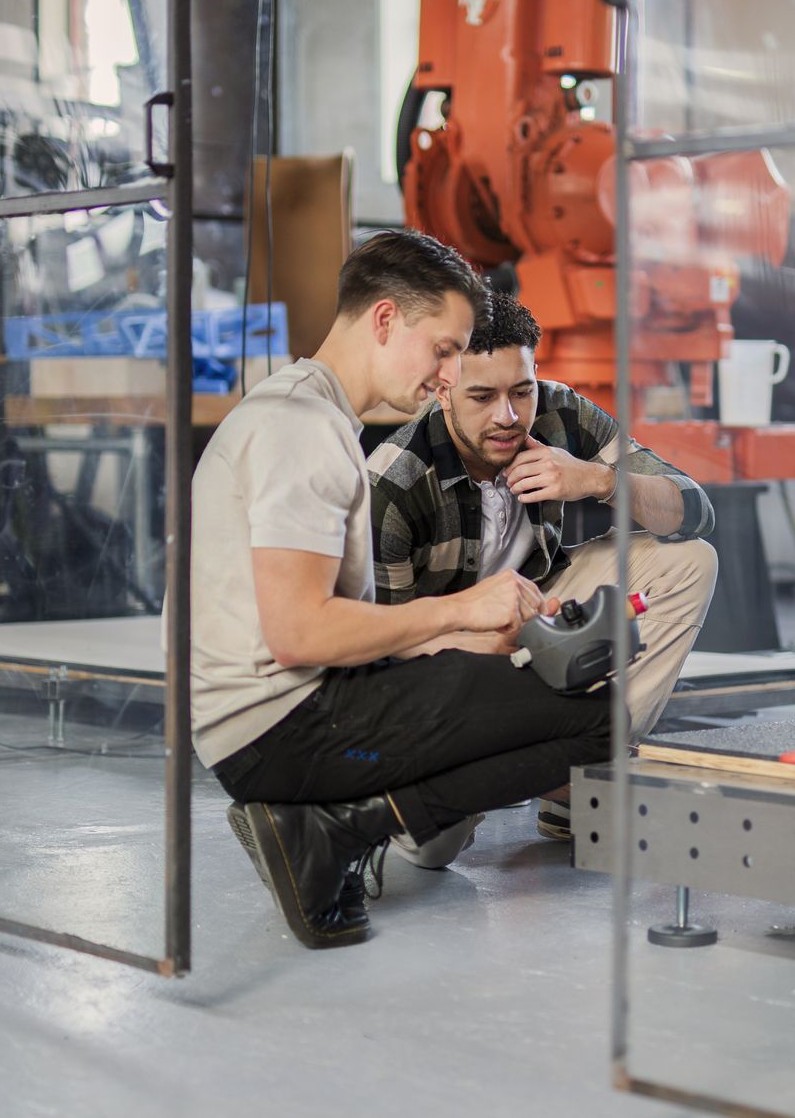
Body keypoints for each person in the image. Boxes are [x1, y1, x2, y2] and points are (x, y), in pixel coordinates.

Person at [178, 231, 610, 951]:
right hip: (276, 730)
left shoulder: (304, 410)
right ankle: (332, 825)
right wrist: (458, 610)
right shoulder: (301, 430)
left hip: (265, 718)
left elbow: (313, 626)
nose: (447, 375)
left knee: (501, 675)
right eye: (443, 349)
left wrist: (457, 639)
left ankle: (330, 825)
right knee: (597, 723)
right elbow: (299, 635)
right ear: (384, 320)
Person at [366, 293, 717, 850]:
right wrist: (484, 654)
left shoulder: (560, 413)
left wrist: (599, 482)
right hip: (444, 654)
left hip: (540, 610)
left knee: (687, 560)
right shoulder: (396, 480)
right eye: (481, 396)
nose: (508, 416)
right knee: (434, 847)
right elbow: (384, 650)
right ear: (442, 388)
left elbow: (695, 511)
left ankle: (584, 768)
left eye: (521, 390)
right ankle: (539, 767)